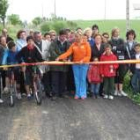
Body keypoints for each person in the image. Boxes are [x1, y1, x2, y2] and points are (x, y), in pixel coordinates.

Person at [56, 31, 91, 100]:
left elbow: (88, 56)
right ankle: (77, 93)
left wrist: (82, 61)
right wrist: (59, 57)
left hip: (84, 64)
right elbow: (68, 53)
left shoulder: (86, 44)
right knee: (76, 79)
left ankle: (83, 93)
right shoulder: (73, 44)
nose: (76, 38)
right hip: (75, 64)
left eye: (77, 36)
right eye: (75, 36)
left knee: (83, 79)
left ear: (81, 37)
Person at [49, 29, 70, 100]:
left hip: (64, 65)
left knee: (63, 80)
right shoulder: (54, 42)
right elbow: (51, 51)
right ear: (59, 35)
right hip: (55, 65)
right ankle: (55, 94)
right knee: (55, 80)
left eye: (65, 36)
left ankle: (62, 93)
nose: (63, 38)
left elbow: (70, 52)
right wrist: (60, 58)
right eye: (62, 36)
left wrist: (68, 58)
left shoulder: (67, 43)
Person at [109, 27, 127, 96]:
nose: (117, 33)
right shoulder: (110, 41)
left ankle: (121, 90)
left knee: (121, 74)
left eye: (118, 32)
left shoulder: (122, 40)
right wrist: (118, 48)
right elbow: (111, 49)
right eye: (115, 32)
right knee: (115, 74)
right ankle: (116, 90)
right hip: (113, 60)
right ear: (113, 33)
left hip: (121, 60)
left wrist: (115, 47)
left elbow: (124, 47)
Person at [33, 31, 51, 97]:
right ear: (34, 37)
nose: (39, 38)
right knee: (37, 79)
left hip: (46, 63)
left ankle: (48, 92)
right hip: (37, 64)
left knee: (47, 79)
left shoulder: (47, 42)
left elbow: (50, 51)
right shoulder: (32, 44)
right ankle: (37, 93)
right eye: (37, 37)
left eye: (40, 36)